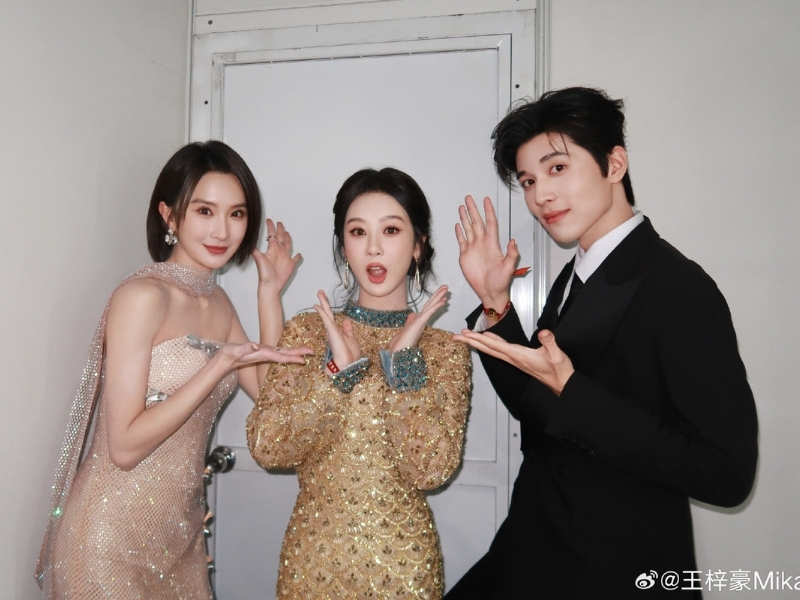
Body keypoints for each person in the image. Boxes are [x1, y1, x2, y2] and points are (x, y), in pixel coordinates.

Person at [446, 87, 758, 599]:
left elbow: (726, 474)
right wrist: (495, 304)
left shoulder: (678, 287)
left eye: (557, 168)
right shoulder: (574, 277)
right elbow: (541, 411)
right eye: (529, 181)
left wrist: (574, 392)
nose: (540, 195)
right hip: (536, 545)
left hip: (616, 570)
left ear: (614, 164)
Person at [36, 140, 311, 599]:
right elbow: (124, 447)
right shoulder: (142, 297)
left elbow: (271, 396)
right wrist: (216, 366)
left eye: (237, 214)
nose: (222, 229)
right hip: (106, 541)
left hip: (179, 542)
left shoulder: (217, 301)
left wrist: (269, 295)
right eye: (204, 211)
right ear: (169, 216)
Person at [247, 167, 471, 599]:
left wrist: (403, 365)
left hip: (405, 569)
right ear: (343, 246)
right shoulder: (309, 332)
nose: (373, 247)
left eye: (391, 230)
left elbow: (430, 470)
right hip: (313, 565)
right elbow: (268, 447)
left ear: (418, 245)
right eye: (357, 231)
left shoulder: (444, 350)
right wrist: (335, 377)